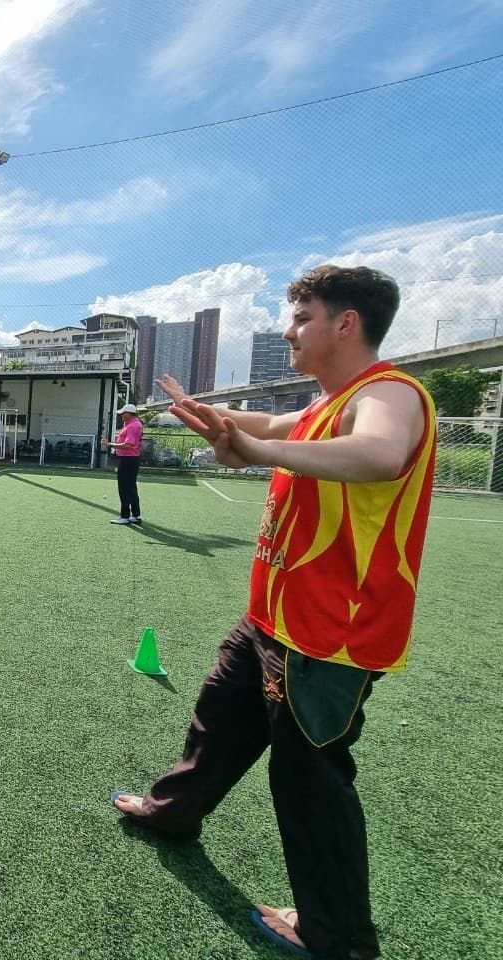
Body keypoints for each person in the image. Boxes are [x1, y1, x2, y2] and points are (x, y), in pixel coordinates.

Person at [112, 265, 436, 960]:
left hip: (331, 636)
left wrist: (255, 449)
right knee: (221, 714)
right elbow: (266, 421)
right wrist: (217, 419)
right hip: (274, 620)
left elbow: (380, 453)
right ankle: (174, 814)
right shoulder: (326, 402)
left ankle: (339, 938)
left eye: (300, 318)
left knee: (309, 780)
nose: (288, 332)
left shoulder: (389, 394)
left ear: (345, 324)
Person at [100, 403, 144, 525]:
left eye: (123, 414)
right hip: (131, 459)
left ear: (129, 414)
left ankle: (125, 516)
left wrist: (110, 444)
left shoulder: (132, 426)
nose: (121, 416)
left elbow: (127, 445)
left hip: (128, 460)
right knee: (131, 488)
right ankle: (135, 515)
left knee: (124, 488)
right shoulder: (134, 424)